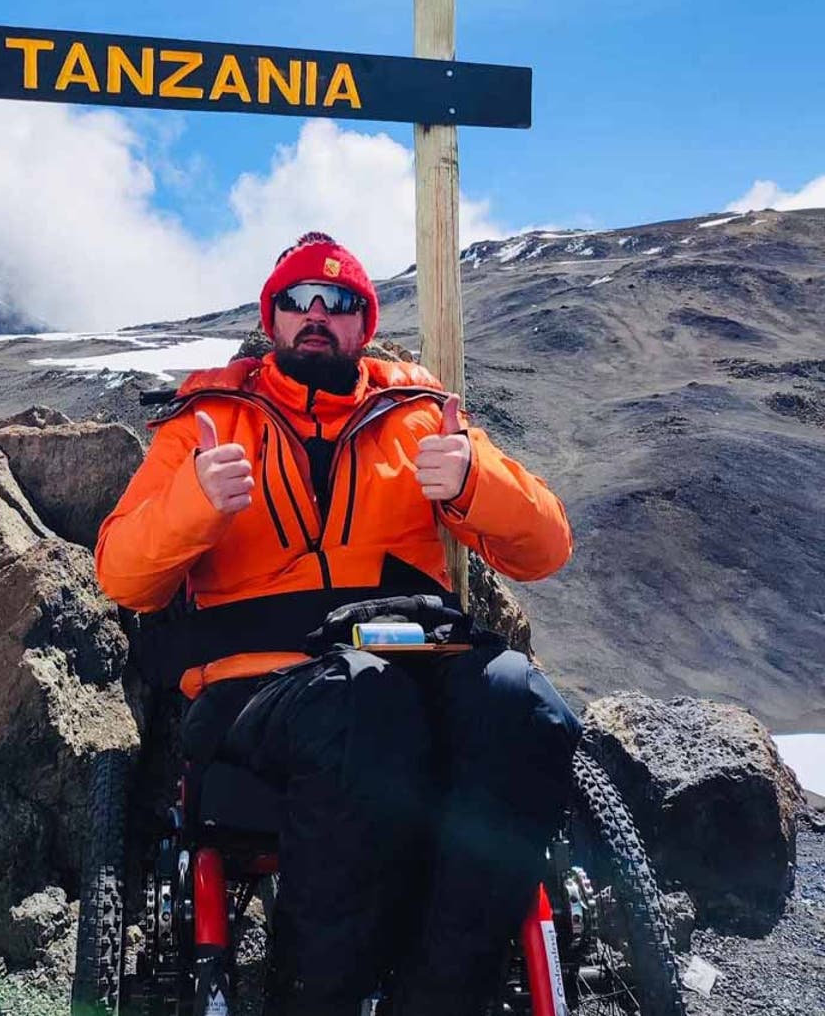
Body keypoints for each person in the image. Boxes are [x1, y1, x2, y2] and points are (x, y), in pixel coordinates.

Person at [95, 231, 580, 1016]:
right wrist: (194, 503)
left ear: (364, 324)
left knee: (518, 700)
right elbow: (123, 575)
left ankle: (437, 996)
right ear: (272, 318)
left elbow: (547, 546)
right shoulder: (207, 421)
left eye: (340, 303)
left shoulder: (423, 413)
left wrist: (472, 479)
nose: (316, 314)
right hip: (261, 692)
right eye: (297, 301)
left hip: (411, 660)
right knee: (365, 706)